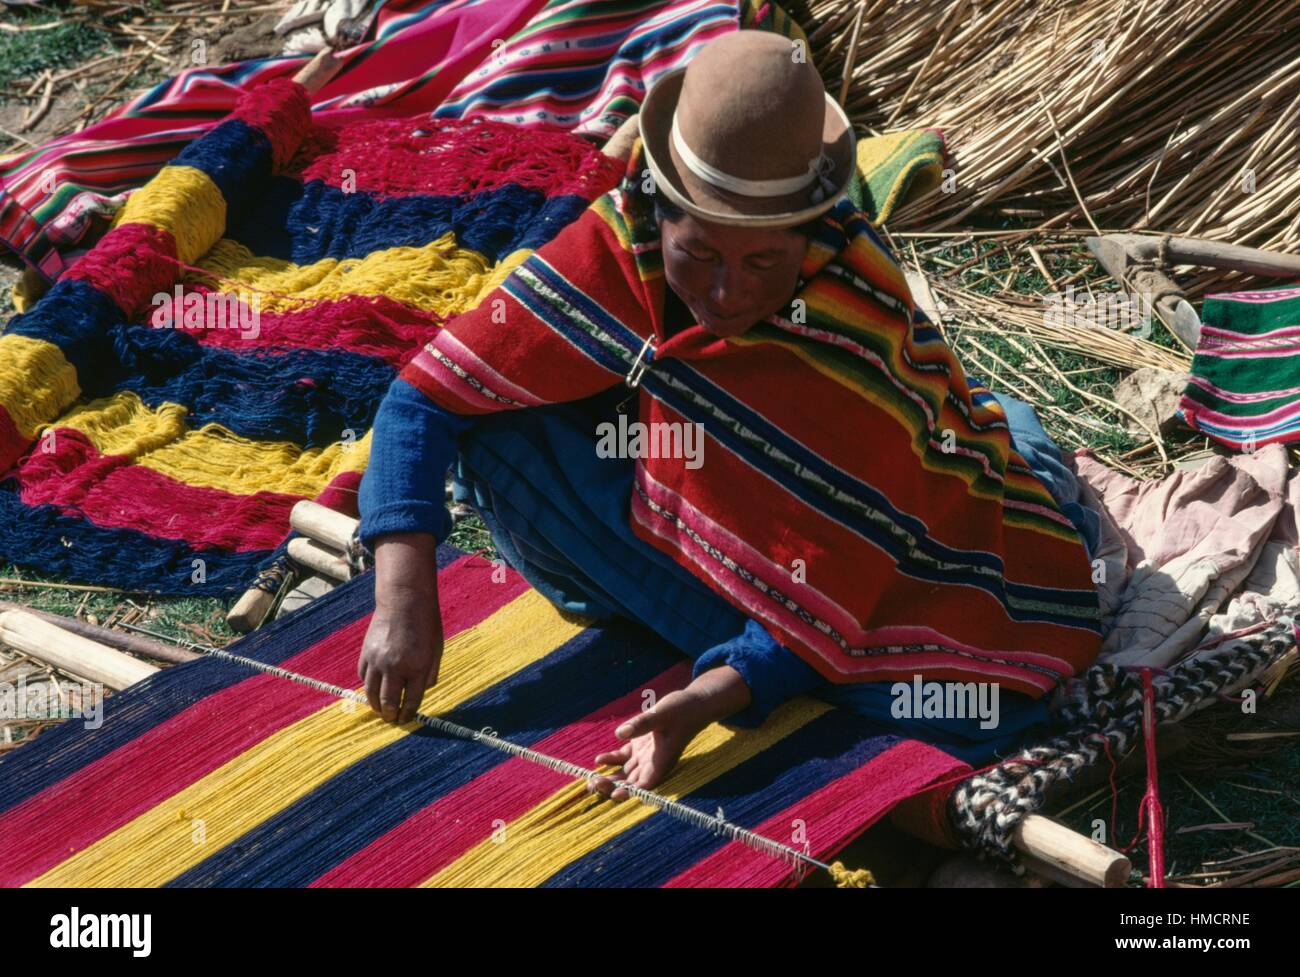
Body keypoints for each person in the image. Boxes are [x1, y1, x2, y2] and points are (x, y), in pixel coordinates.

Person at [356, 30, 1103, 799]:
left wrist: (715, 691)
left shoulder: (852, 312)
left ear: (808, 236)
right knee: (496, 427)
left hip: (821, 602)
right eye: (700, 254)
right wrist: (403, 601)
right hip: (690, 541)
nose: (726, 295)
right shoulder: (622, 243)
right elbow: (424, 396)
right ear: (659, 211)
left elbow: (866, 564)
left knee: (970, 694)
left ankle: (1025, 473)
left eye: (762, 263)